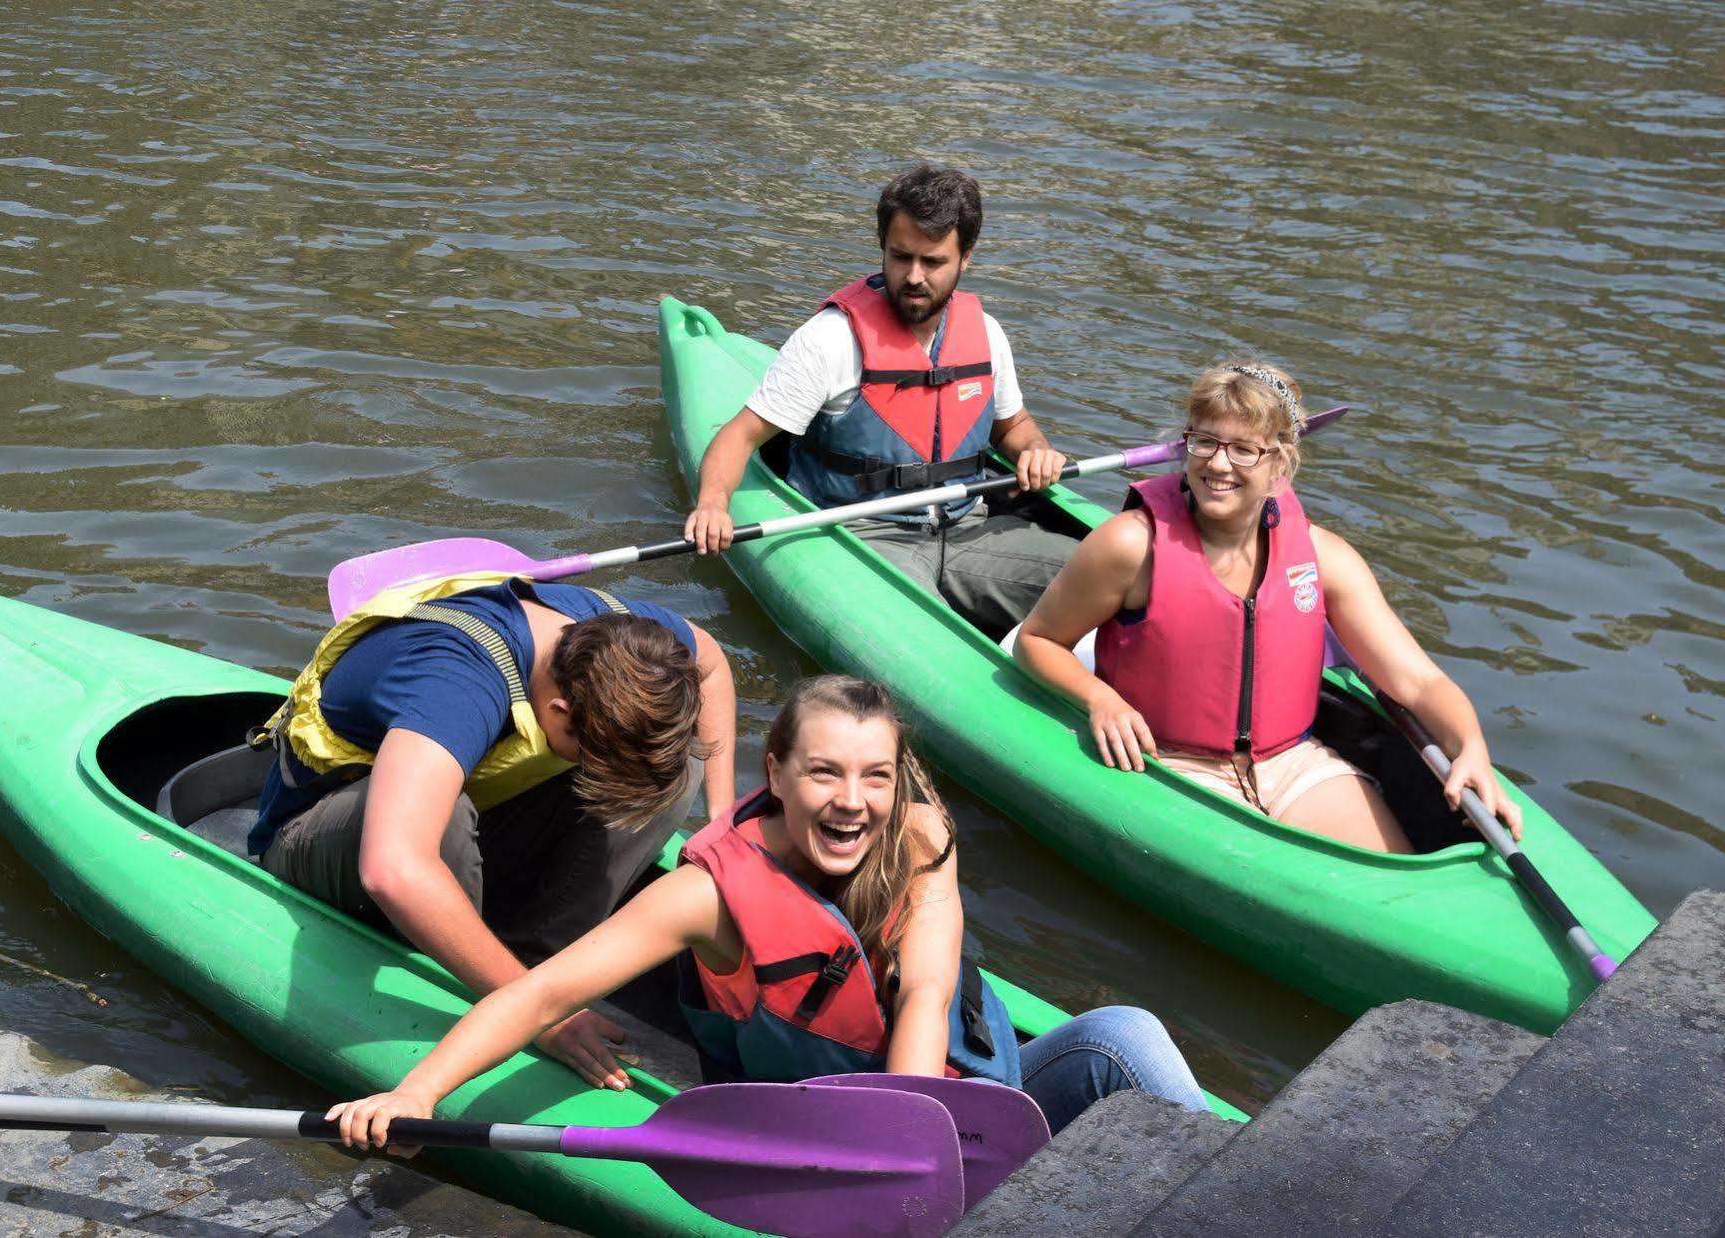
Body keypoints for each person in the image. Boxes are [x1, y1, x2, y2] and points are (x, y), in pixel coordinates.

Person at [322, 675, 1208, 1152]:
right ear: (774, 771)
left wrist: (912, 1140)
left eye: (873, 776)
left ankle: (1236, 1189)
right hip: (809, 1136)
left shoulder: (921, 834)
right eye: (823, 772)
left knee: (1122, 1033)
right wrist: (416, 1092)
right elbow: (542, 992)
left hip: (956, 1105)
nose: (851, 801)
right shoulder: (707, 893)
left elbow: (928, 992)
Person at [247, 570, 738, 1086]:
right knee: (441, 826)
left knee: (674, 769)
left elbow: (711, 665)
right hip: (316, 836)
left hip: (463, 811)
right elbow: (394, 868)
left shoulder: (640, 644)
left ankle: (537, 962)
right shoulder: (456, 685)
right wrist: (534, 1016)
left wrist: (722, 825)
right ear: (560, 710)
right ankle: (510, 989)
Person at [1012, 363, 1525, 854]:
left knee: (1399, 887)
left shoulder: (1324, 557)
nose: (1217, 464)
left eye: (1243, 450)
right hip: (1165, 761)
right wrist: (1100, 699)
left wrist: (1470, 744)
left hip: (1293, 762)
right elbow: (1036, 641)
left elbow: (1418, 682)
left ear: (1280, 463)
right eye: (1205, 442)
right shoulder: (1129, 546)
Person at [683, 165, 1078, 638]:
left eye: (932, 262)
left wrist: (1034, 448)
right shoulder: (832, 340)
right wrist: (711, 504)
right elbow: (739, 435)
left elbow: (1014, 427)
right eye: (900, 257)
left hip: (969, 527)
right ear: (883, 249)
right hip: (865, 535)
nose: (913, 276)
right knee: (928, 634)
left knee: (1113, 578)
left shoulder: (986, 334)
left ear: (966, 258)